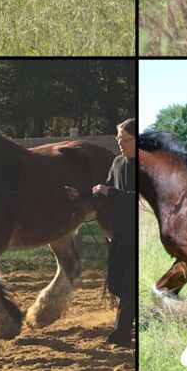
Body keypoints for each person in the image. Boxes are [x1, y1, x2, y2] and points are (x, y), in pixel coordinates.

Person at [67, 118, 135, 348]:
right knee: (116, 284)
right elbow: (103, 189)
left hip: (139, 233)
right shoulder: (117, 163)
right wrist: (82, 194)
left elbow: (139, 199)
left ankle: (121, 334)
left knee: (128, 286)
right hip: (119, 232)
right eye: (118, 138)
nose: (120, 143)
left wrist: (110, 192)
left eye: (125, 139)